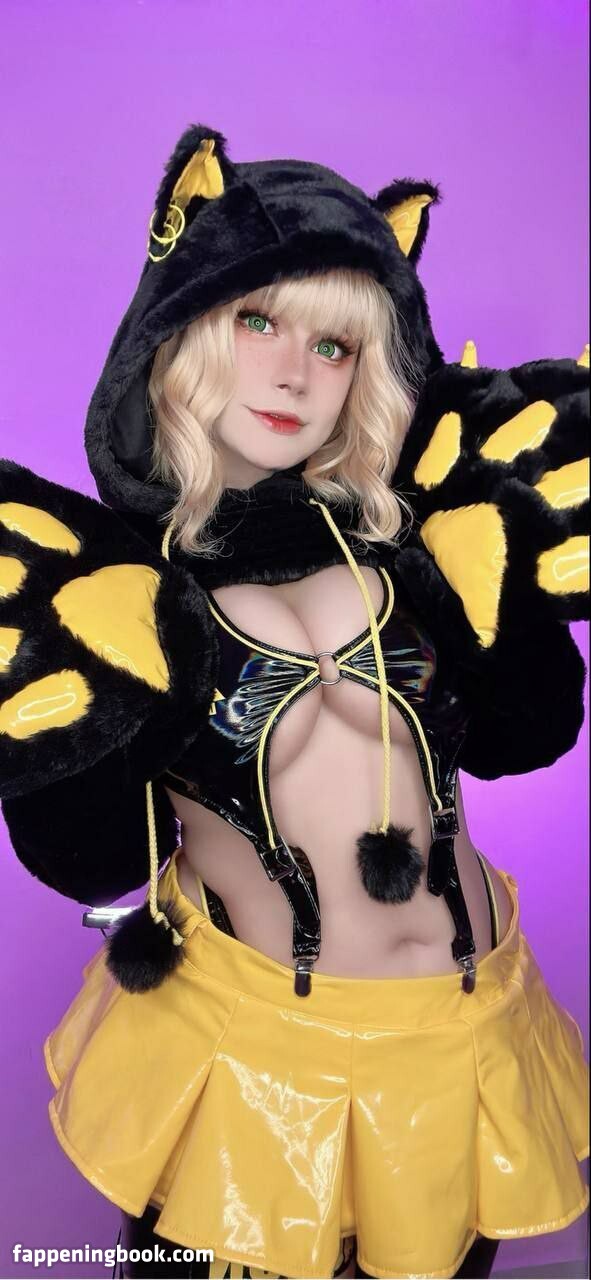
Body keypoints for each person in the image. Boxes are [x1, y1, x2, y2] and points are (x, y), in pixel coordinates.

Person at [0, 123, 588, 1280]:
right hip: (258, 1062)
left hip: (466, 1044)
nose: (294, 372)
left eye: (334, 343)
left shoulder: (414, 545)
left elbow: (528, 734)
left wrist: (506, 600)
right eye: (257, 320)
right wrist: (76, 720)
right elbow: (93, 860)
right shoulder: (116, 585)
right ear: (180, 332)